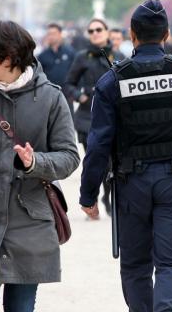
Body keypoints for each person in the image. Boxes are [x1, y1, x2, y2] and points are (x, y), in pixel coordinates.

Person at [78, 0, 172, 312]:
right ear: (165, 36)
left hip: (130, 182)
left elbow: (98, 143)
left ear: (132, 36)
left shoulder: (112, 81)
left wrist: (88, 193)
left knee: (135, 265)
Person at [0, 20, 80, 312]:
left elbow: (69, 156)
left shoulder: (52, 98)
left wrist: (34, 162)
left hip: (30, 221)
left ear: (7, 57)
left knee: (21, 308)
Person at [65, 18, 125, 217]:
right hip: (86, 117)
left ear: (107, 32)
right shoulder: (82, 56)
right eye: (91, 31)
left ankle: (108, 196)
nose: (95, 33)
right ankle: (94, 197)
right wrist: (79, 94)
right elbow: (69, 83)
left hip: (114, 117)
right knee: (94, 159)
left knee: (111, 162)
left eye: (99, 29)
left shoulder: (119, 55)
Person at [36, 23, 76, 110]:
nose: (51, 36)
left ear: (60, 34)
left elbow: (76, 72)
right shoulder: (43, 55)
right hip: (48, 96)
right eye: (49, 34)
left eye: (54, 33)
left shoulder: (70, 52)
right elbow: (38, 75)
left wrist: (76, 92)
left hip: (67, 95)